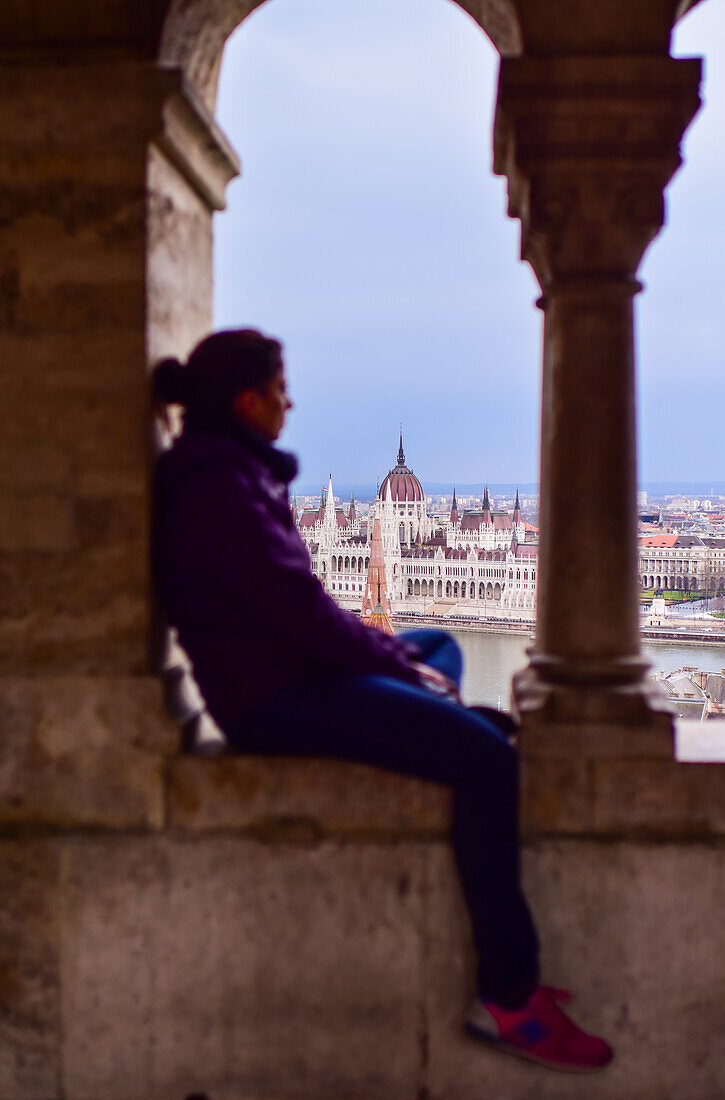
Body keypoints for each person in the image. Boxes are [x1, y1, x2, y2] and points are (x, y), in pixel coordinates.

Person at [151, 328, 613, 1073]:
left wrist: (401, 662)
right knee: (489, 761)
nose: (289, 402)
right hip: (275, 695)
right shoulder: (219, 489)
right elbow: (299, 612)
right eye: (280, 389)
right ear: (246, 401)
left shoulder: (226, 472)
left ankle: (444, 715)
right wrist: (398, 670)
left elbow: (303, 614)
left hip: (289, 670)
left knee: (438, 648)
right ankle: (508, 997)